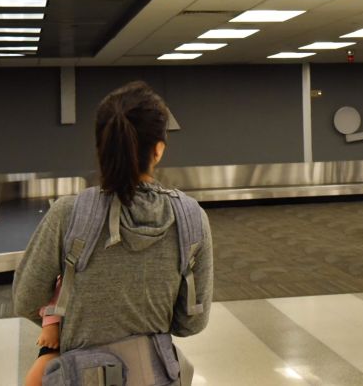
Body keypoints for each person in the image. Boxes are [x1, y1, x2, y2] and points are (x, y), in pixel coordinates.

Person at [13, 81, 213, 385]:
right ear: (158, 150)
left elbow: (27, 298)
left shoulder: (68, 214)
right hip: (155, 374)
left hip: (81, 374)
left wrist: (69, 322)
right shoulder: (191, 218)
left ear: (101, 147)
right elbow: (192, 321)